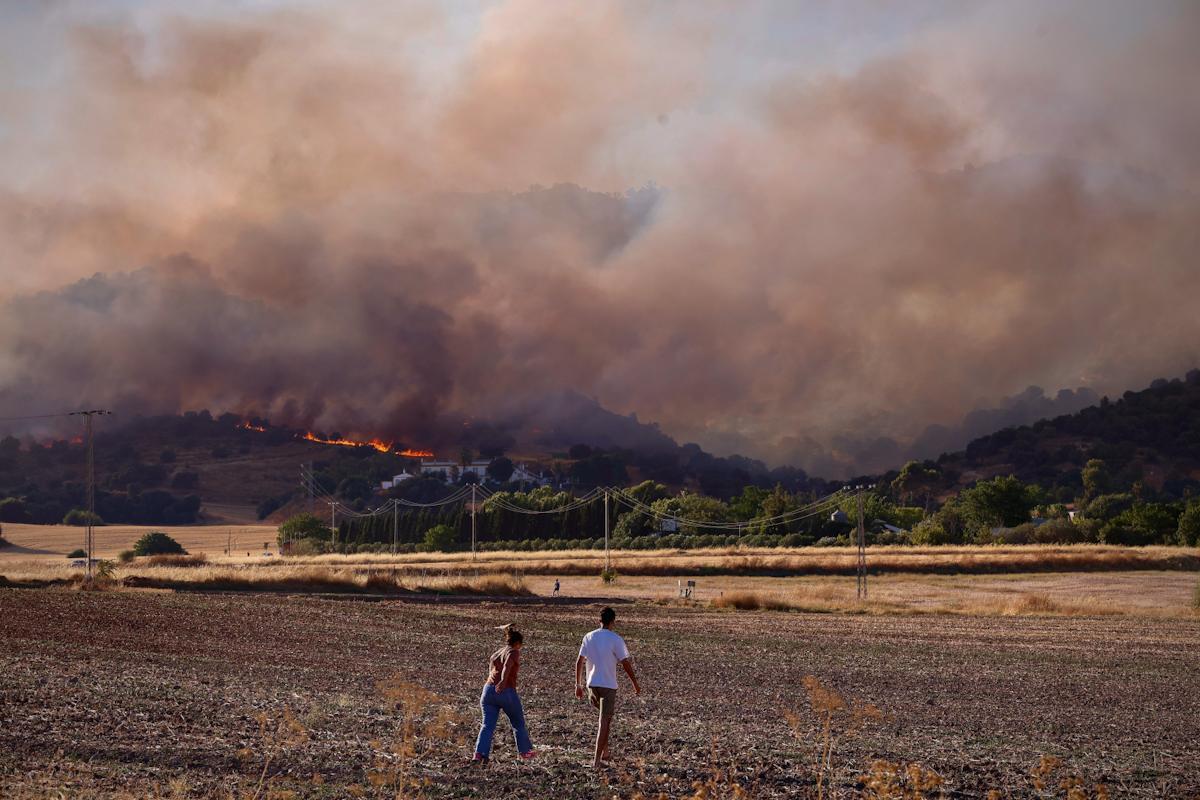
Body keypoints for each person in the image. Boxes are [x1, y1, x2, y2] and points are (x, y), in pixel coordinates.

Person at [575, 606, 641, 769]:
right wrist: (635, 683)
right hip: (608, 686)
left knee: (604, 719)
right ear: (613, 622)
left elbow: (579, 661)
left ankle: (605, 753)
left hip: (592, 685)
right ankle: (597, 761)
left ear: (599, 621)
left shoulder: (589, 636)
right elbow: (625, 663)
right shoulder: (615, 639)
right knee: (604, 722)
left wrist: (578, 685)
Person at [473, 626, 535, 764]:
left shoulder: (497, 652)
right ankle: (525, 752)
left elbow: (491, 666)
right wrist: (502, 681)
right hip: (506, 691)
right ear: (518, 643)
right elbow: (507, 666)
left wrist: (493, 680)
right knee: (518, 723)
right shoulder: (513, 652)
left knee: (487, 725)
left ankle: (479, 754)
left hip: (488, 691)